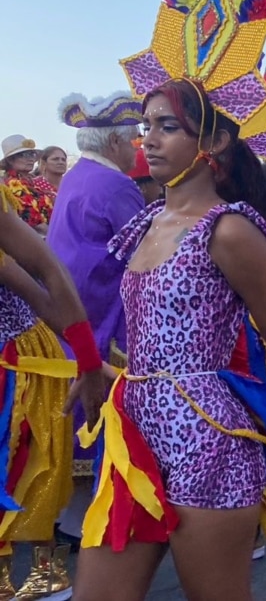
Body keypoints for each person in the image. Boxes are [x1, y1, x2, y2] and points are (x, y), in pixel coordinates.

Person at [74, 0, 266, 599]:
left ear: (211, 139)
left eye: (166, 126)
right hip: (135, 432)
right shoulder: (148, 220)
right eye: (145, 123)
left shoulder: (230, 228)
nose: (146, 138)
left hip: (208, 436)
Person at [0, 186, 109, 600]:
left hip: (16, 361)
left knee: (22, 465)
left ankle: (46, 568)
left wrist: (86, 359)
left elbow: (47, 271)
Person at [46, 91, 144, 546]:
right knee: (108, 411)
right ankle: (104, 516)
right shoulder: (116, 186)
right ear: (114, 143)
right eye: (134, 140)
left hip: (70, 308)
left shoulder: (76, 175)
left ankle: (71, 513)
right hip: (102, 314)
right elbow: (144, 257)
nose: (138, 148)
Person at [1, 135, 55, 234]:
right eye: (24, 154)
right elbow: (35, 224)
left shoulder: (34, 183)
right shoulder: (11, 184)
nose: (30, 159)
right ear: (10, 160)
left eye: (32, 154)